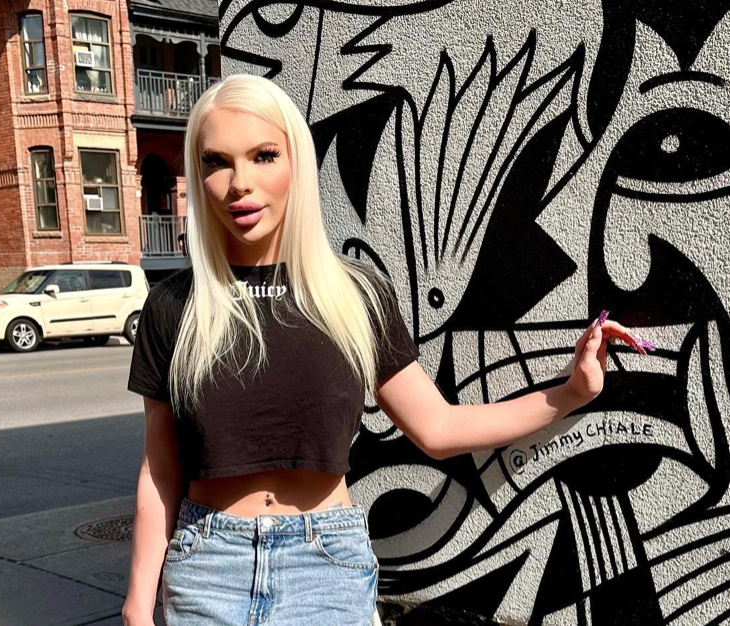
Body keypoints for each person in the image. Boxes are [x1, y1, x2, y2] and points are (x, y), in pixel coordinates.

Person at [121, 74, 646, 626]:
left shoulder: (353, 295)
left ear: (296, 163)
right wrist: (137, 603)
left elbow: (437, 427)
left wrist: (570, 393)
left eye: (263, 156)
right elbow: (161, 471)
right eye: (216, 162)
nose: (239, 184)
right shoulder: (174, 306)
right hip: (208, 567)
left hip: (324, 567)